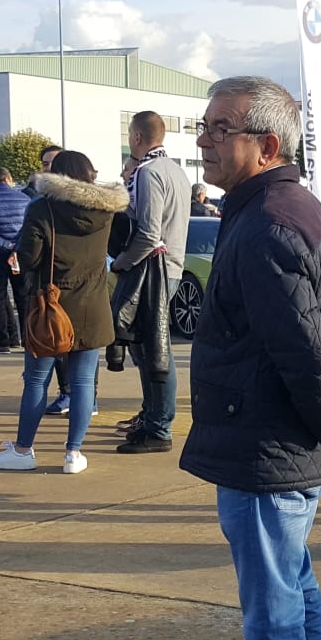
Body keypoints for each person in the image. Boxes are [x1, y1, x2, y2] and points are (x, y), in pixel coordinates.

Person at [179, 75, 321, 640]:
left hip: (267, 446)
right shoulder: (295, 207)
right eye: (203, 126)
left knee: (272, 605)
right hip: (276, 439)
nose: (203, 140)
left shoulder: (268, 226)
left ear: (268, 144)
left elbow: (305, 345)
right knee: (294, 582)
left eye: (219, 129)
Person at [0, 151, 125, 475]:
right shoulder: (107, 209)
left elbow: (30, 257)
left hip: (51, 307)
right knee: (82, 381)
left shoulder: (42, 207)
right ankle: (73, 454)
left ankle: (23, 451)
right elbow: (118, 246)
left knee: (36, 380)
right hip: (93, 305)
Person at [111, 110, 191, 454]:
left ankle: (159, 426)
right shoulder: (175, 171)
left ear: (137, 138)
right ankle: (153, 416)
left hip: (152, 270)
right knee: (150, 348)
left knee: (155, 350)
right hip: (168, 266)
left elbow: (147, 234)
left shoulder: (149, 173)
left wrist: (119, 264)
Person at [0, 167, 32, 353]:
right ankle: (27, 338)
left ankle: (4, 340)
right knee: (23, 297)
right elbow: (29, 227)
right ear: (8, 179)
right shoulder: (24, 199)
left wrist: (4, 244)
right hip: (19, 254)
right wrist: (16, 246)